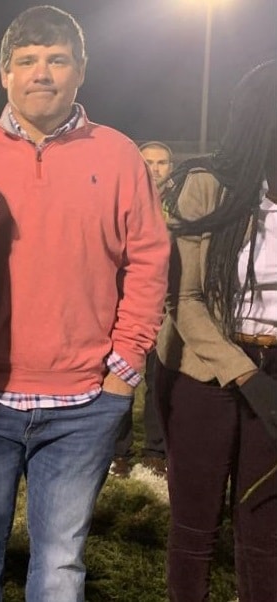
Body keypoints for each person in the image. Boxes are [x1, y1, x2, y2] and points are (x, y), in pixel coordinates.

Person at [0, 7, 170, 601]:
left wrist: (124, 367)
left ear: (80, 71)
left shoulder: (118, 154)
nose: (41, 72)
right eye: (27, 60)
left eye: (57, 59)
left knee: (62, 563)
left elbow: (148, 260)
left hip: (83, 402)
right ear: (4, 73)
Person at [154, 59, 277, 602]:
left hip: (274, 369)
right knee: (195, 526)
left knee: (265, 530)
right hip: (205, 372)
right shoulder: (206, 185)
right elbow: (185, 300)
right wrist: (246, 376)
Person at [110, 140, 175, 479]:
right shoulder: (124, 198)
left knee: (158, 381)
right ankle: (118, 452)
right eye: (148, 162)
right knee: (120, 372)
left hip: (169, 307)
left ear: (171, 168)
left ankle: (156, 451)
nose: (155, 168)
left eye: (162, 162)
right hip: (126, 304)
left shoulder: (182, 205)